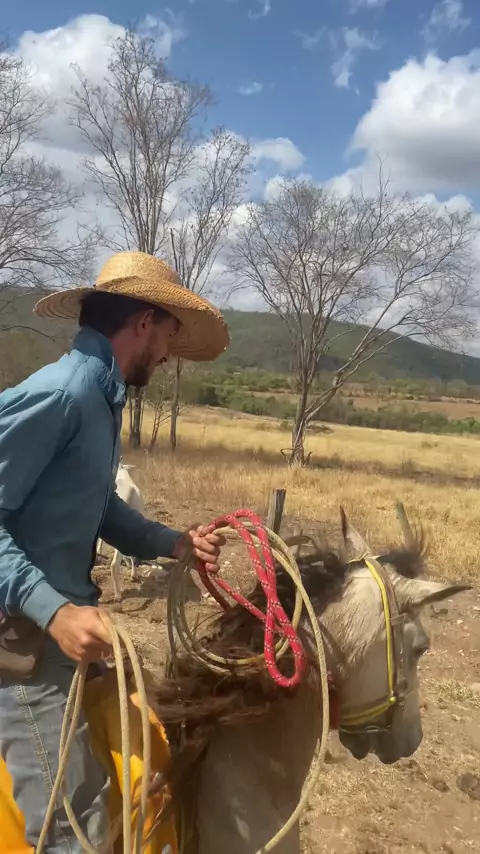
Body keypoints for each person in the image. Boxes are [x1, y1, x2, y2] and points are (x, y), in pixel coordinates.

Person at [0, 251, 229, 852]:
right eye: (170, 334)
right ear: (145, 322)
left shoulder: (101, 402)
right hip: (21, 648)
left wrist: (174, 543)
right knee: (70, 829)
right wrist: (54, 610)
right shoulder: (63, 394)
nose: (168, 352)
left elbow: (96, 507)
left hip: (64, 635)